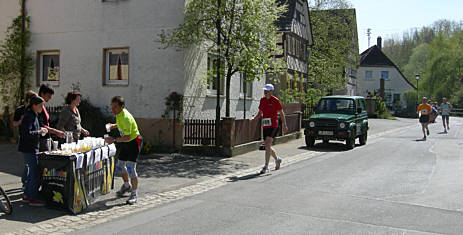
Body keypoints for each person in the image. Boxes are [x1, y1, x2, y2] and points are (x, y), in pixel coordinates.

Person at [104, 96, 142, 205]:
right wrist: (113, 126)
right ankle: (127, 186)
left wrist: (114, 140)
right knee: (120, 166)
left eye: (115, 107)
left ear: (122, 107)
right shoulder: (119, 114)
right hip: (126, 142)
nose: (113, 109)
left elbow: (128, 136)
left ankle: (134, 194)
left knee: (130, 168)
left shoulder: (125, 117)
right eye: (112, 107)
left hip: (133, 142)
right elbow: (121, 125)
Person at [18, 96, 48, 206]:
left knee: (32, 172)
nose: (42, 108)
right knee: (34, 173)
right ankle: (32, 198)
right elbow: (26, 133)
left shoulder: (33, 115)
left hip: (31, 147)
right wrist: (39, 132)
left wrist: (40, 131)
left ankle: (27, 195)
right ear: (34, 105)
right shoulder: (29, 116)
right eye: (40, 106)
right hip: (29, 148)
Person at [251, 84, 288, 174]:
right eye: (264, 90)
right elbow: (260, 113)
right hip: (265, 125)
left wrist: (284, 125)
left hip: (273, 125)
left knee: (267, 144)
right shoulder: (262, 100)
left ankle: (266, 166)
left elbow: (282, 113)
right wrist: (254, 118)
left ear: (271, 91)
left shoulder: (275, 100)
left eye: (267, 91)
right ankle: (277, 159)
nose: (265, 92)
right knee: (267, 146)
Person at [13, 90, 38, 190]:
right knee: (28, 164)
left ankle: (27, 183)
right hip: (24, 137)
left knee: (29, 164)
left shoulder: (34, 109)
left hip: (33, 139)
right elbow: (14, 123)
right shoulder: (20, 110)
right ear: (28, 100)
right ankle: (25, 182)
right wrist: (21, 121)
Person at [38, 84, 65, 151]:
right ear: (42, 94)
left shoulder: (43, 106)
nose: (50, 98)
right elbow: (41, 125)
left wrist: (50, 138)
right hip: (40, 139)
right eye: (48, 96)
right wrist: (56, 132)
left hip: (46, 137)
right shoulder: (38, 108)